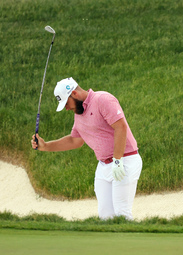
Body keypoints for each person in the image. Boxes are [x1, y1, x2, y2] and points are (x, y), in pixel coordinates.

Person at [31, 77, 142, 220]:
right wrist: (46, 146)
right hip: (103, 166)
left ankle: (130, 241)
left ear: (75, 94)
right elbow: (74, 140)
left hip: (124, 160)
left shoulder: (102, 99)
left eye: (66, 102)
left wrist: (117, 160)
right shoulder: (79, 115)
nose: (66, 108)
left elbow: (120, 126)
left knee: (122, 214)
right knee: (106, 216)